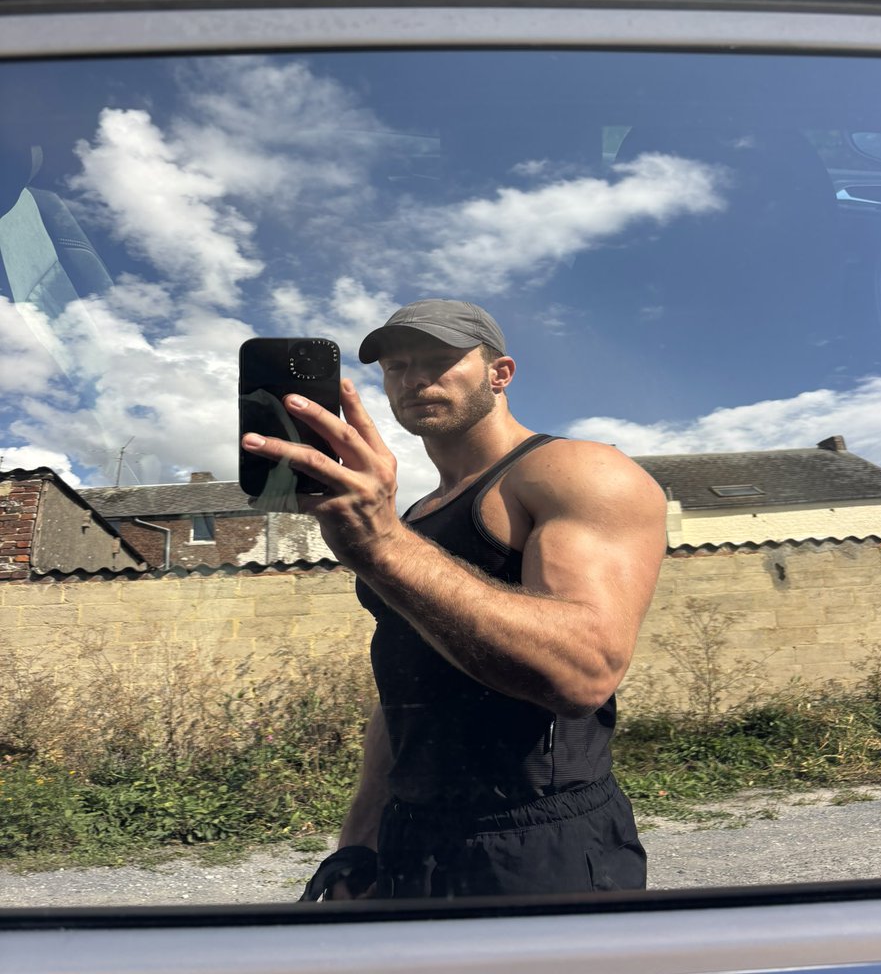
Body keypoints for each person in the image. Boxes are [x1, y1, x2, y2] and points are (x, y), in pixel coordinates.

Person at [241, 299, 666, 899]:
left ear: (500, 373)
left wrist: (383, 546)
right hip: (410, 836)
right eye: (396, 366)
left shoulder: (577, 470)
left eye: (439, 360)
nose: (415, 378)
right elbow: (405, 692)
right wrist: (358, 844)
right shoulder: (415, 515)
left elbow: (585, 672)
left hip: (538, 841)